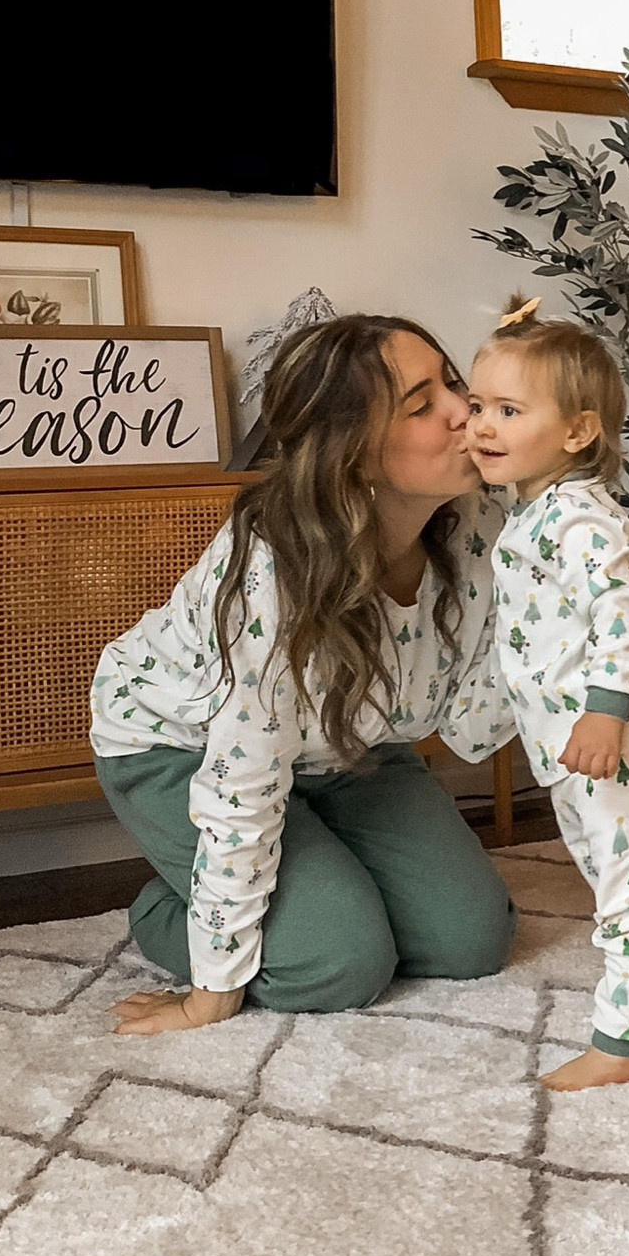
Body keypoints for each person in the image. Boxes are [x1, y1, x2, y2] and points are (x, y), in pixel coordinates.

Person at [89, 314, 516, 1037]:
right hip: (189, 750)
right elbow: (242, 778)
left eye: (453, 382)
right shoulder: (276, 569)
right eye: (422, 405)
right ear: (353, 455)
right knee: (336, 965)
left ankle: (316, 872)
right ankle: (174, 904)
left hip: (345, 747)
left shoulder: (484, 522)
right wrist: (210, 989)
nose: (462, 411)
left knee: (471, 940)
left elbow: (471, 728)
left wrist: (564, 601)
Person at [465, 296, 629, 1092]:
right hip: (576, 748)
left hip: (621, 741)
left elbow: (622, 613)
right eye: (476, 405)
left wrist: (605, 715)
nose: (481, 426)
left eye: (508, 410)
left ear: (577, 432)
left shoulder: (578, 519)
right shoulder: (533, 511)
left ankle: (622, 1043)